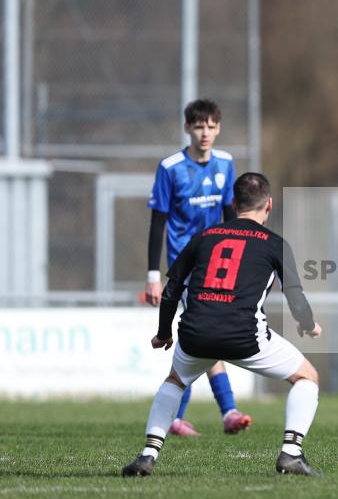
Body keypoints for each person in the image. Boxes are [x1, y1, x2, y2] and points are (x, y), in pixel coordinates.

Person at [123, 172, 324, 477]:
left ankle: (148, 454)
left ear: (233, 203)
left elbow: (172, 289)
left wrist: (164, 334)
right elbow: (294, 294)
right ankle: (291, 454)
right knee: (307, 377)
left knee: (175, 381)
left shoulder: (204, 237)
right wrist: (308, 324)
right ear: (268, 205)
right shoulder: (275, 244)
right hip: (244, 337)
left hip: (195, 333)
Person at [144, 98, 252, 436]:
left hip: (216, 263)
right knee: (205, 334)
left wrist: (241, 256)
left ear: (218, 128)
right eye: (198, 126)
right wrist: (153, 276)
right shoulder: (170, 167)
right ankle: (226, 411)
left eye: (210, 126)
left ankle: (188, 415)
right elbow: (157, 222)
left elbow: (229, 215)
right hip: (184, 265)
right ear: (188, 128)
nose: (204, 133)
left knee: (204, 337)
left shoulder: (225, 163)